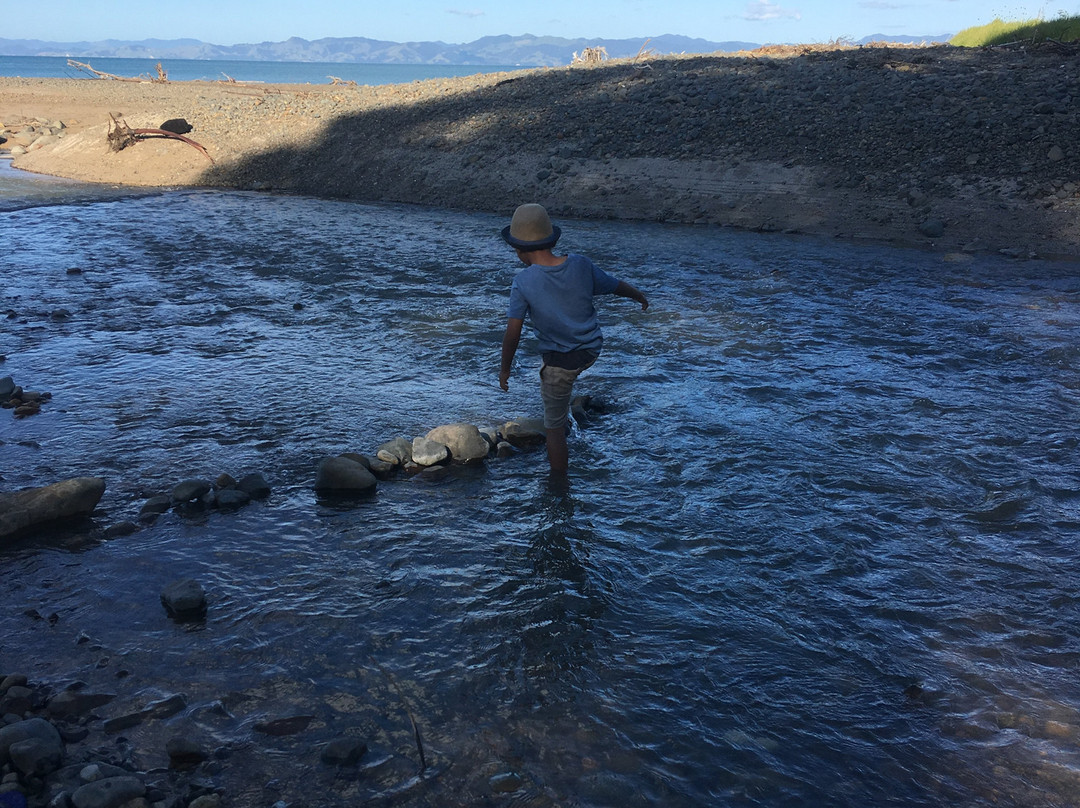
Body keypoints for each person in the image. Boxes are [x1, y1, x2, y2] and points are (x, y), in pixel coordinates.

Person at [498, 203, 649, 473]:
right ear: (551, 240)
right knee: (565, 385)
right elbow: (615, 286)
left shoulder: (523, 282)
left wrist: (505, 369)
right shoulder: (580, 264)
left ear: (518, 250)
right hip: (591, 349)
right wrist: (639, 296)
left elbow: (513, 333)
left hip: (560, 363)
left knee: (553, 429)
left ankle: (558, 485)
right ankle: (573, 403)